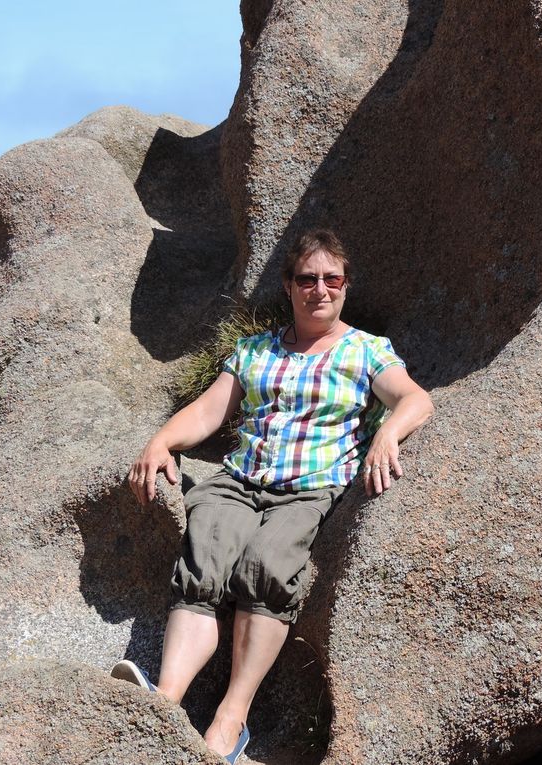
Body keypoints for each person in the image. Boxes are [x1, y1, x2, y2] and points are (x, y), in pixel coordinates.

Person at [114, 229, 433, 762]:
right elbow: (211, 411)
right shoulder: (255, 350)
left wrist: (386, 432)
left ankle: (230, 719)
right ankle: (164, 707)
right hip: (240, 482)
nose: (320, 290)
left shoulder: (367, 351)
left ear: (346, 286)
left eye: (332, 279)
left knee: (267, 567)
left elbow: (414, 399)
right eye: (308, 279)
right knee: (204, 558)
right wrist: (161, 441)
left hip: (309, 492)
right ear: (288, 286)